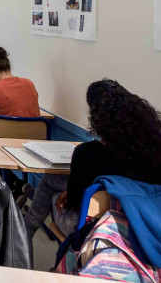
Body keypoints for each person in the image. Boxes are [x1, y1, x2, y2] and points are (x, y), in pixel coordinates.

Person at [23, 79, 161, 239]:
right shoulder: (153, 151)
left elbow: (75, 201)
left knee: (54, 193)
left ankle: (25, 233)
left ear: (97, 119)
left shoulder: (87, 153)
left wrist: (74, 192)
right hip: (145, 228)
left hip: (96, 232)